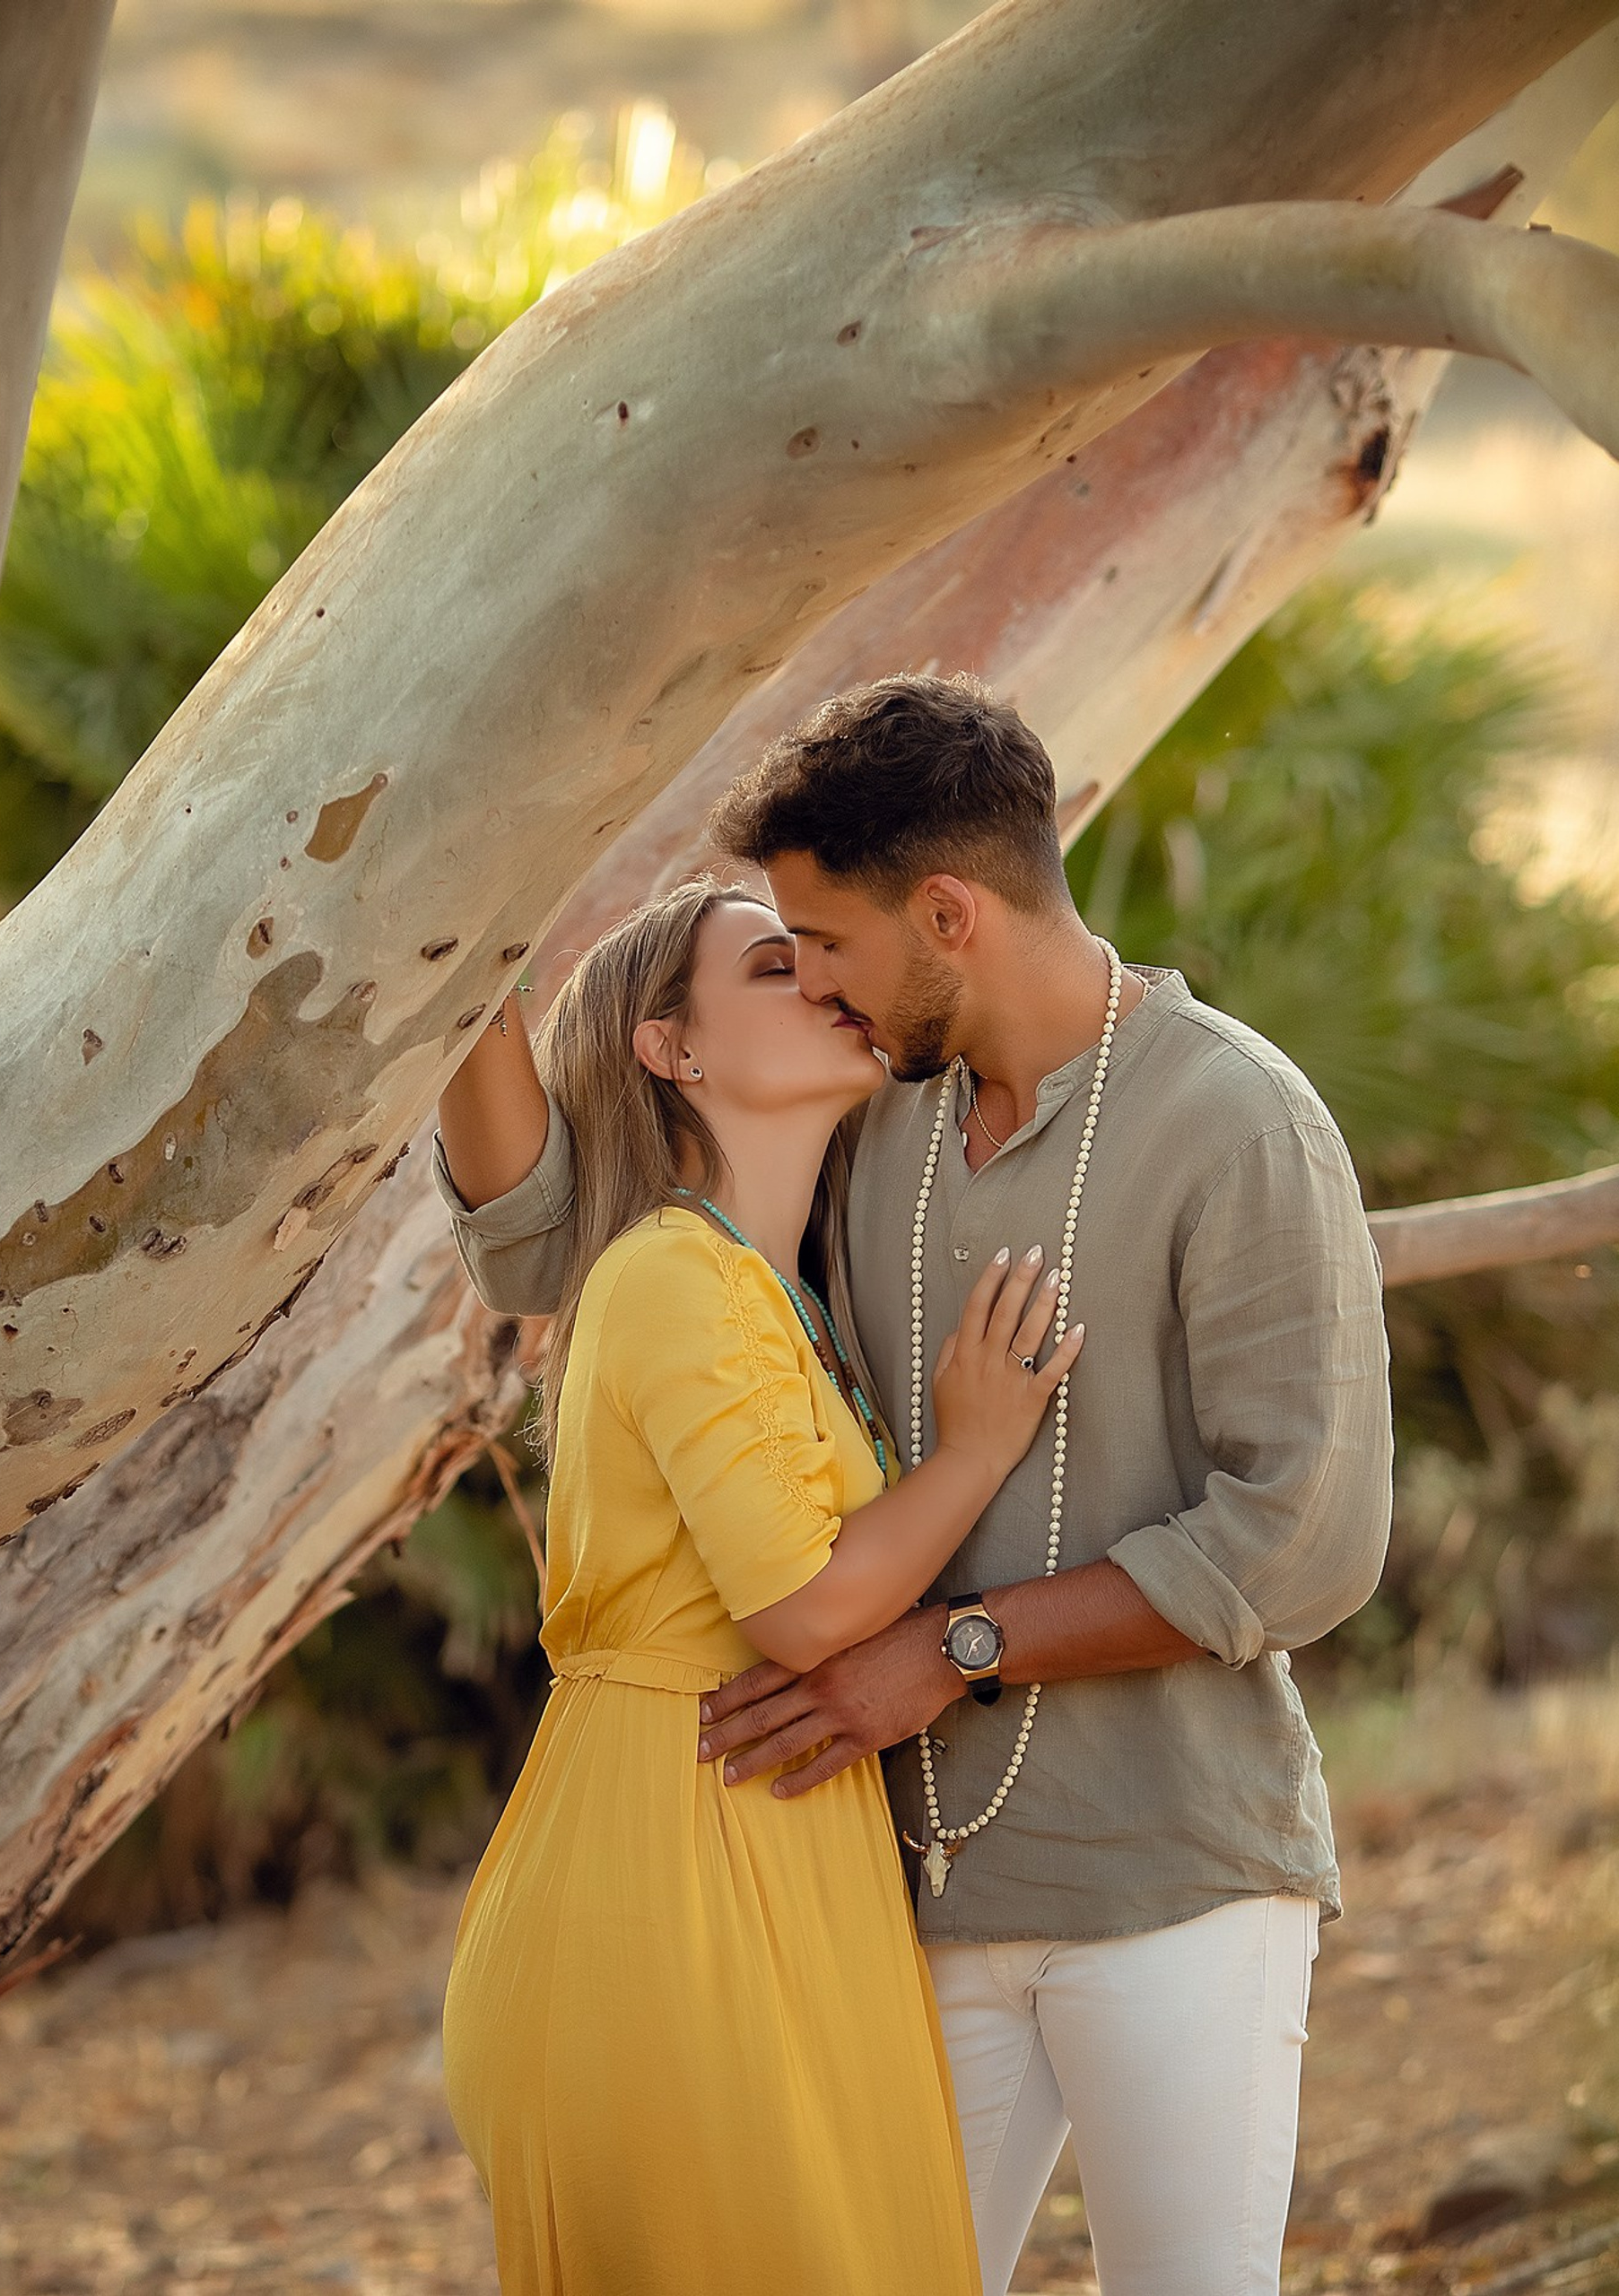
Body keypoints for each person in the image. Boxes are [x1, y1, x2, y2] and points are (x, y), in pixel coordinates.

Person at [436, 675, 1393, 2296]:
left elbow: (1300, 1542)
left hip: (1173, 1877)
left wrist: (952, 1650)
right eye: (786, 956)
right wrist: (451, 925)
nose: (813, 981)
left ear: (948, 915)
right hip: (900, 1894)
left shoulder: (1237, 1121)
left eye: (825, 944)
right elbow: (559, 1234)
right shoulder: (872, 1119)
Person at [440, 872, 1082, 2294]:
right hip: (665, 1877)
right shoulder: (678, 1273)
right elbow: (801, 1609)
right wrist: (977, 1449)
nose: (825, 983)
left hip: (770, 1849)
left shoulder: (777, 1288)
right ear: (672, 1049)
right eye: (775, 969)